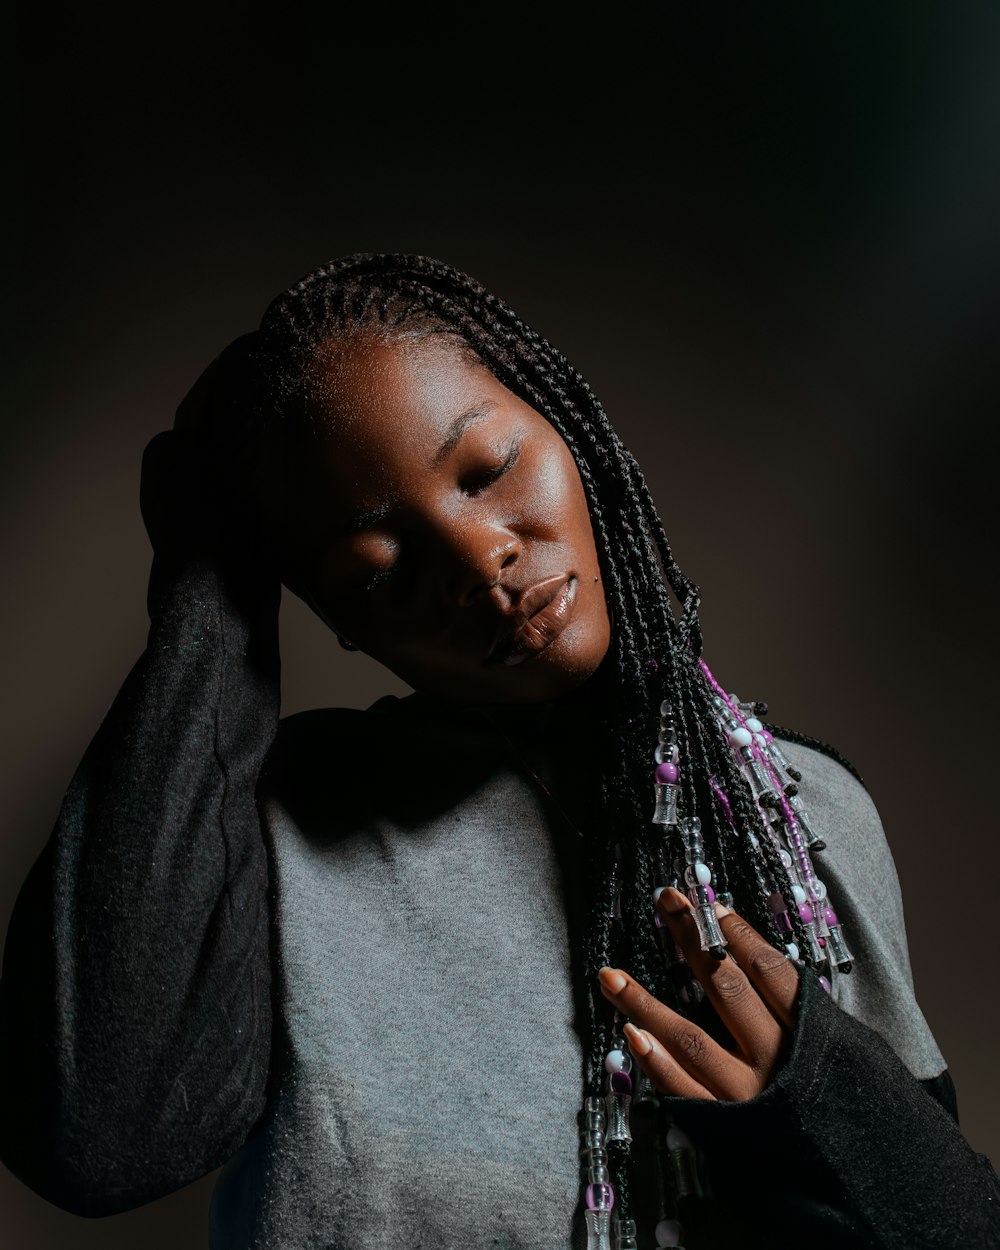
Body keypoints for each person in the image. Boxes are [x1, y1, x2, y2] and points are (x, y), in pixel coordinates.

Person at [1, 253, 997, 1250]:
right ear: (340, 620)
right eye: (379, 570)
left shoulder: (802, 814)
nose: (481, 559)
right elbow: (95, 1140)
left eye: (484, 471)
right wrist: (206, 594)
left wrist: (823, 1102)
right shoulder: (279, 831)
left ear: (566, 425)